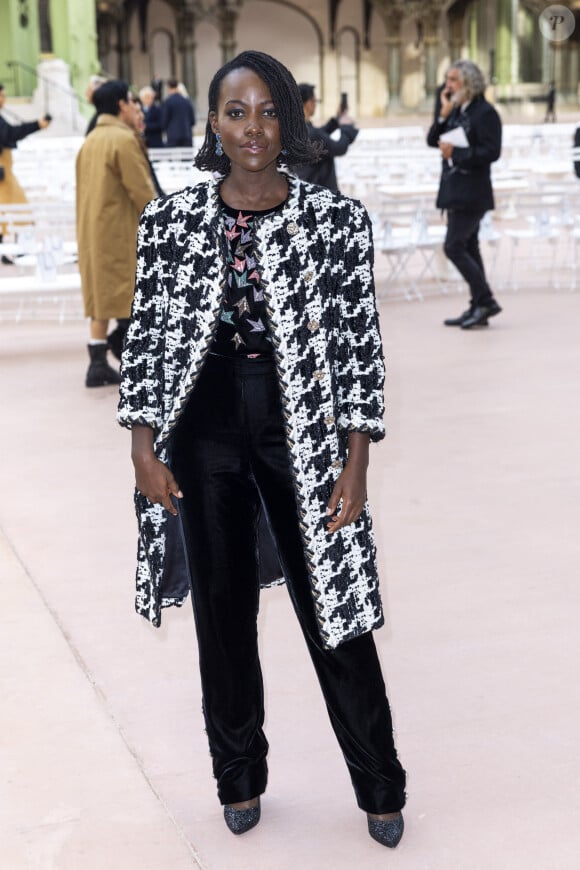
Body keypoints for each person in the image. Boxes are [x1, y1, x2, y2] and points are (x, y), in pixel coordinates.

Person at [117, 50, 406, 848]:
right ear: (213, 123)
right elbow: (147, 341)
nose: (254, 128)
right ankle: (237, 776)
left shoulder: (335, 222)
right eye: (237, 112)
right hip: (202, 429)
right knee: (222, 612)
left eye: (269, 111)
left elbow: (358, 347)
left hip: (304, 432)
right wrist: (144, 444)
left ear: (291, 118)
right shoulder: (168, 223)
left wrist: (357, 456)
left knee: (335, 613)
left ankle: (380, 782)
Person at [76, 80, 156, 387]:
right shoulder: (121, 141)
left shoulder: (91, 140)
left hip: (95, 228)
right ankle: (130, 356)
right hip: (120, 230)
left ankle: (98, 361)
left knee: (104, 295)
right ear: (122, 104)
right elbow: (142, 191)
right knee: (131, 294)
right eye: (131, 102)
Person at [427, 59, 503, 329]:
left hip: (473, 192)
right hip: (455, 189)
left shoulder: (485, 113)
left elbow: (491, 152)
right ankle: (478, 306)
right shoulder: (457, 110)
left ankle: (485, 301)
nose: (447, 86)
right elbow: (431, 140)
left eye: (453, 80)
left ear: (469, 83)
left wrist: (456, 153)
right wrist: (443, 114)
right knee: (469, 246)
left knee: (454, 246)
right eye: (447, 80)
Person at [0, 83, 51, 253]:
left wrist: (37, 125)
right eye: (1, 96)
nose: (3, 100)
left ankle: (14, 249)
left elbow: (12, 132)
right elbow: (10, 133)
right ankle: (12, 249)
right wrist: (37, 125)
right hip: (2, 174)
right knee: (12, 208)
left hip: (5, 172)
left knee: (17, 207)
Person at [291, 83, 358, 192]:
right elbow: (339, 147)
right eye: (315, 101)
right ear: (309, 103)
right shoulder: (312, 134)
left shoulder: (295, 130)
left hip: (306, 190)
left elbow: (320, 134)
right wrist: (346, 127)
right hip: (321, 194)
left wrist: (337, 119)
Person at [160, 78, 195, 146]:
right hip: (186, 135)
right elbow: (192, 120)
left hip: (173, 136)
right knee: (186, 156)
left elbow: (164, 120)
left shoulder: (168, 102)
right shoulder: (186, 101)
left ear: (168, 87)